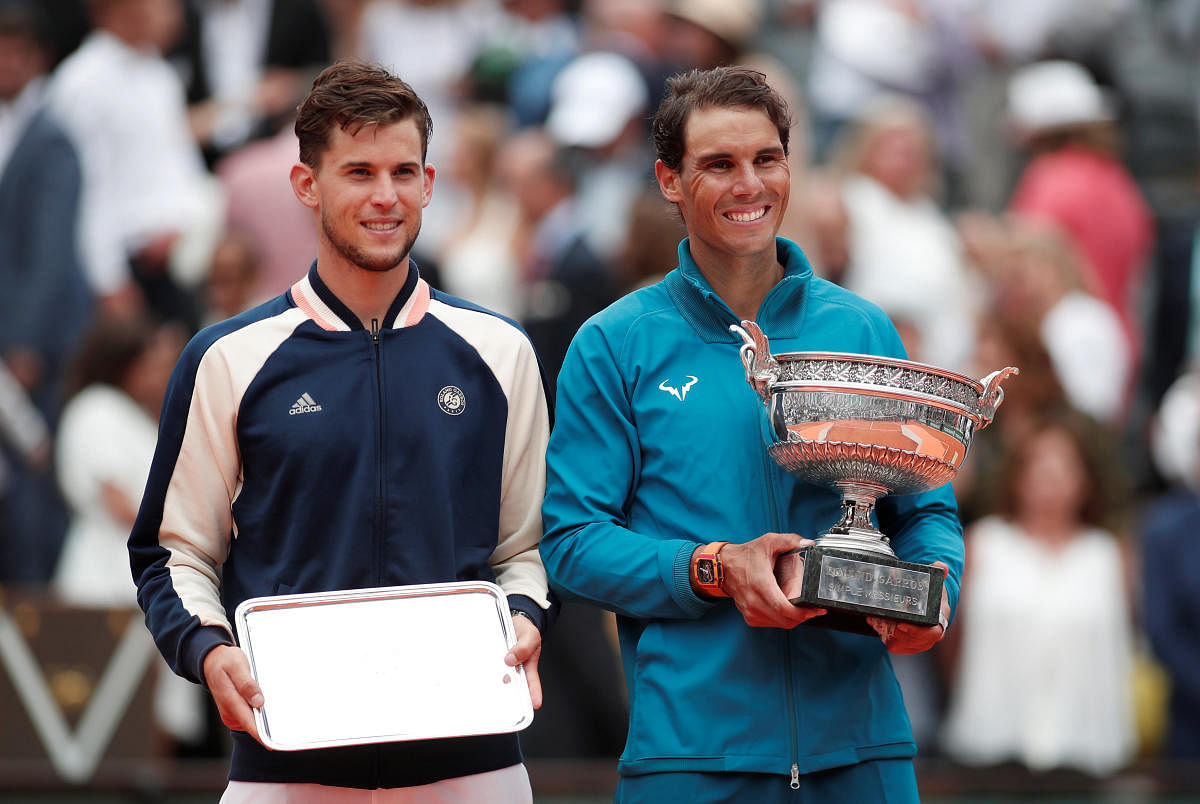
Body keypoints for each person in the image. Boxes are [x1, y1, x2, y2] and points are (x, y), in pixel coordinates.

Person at [129, 60, 553, 801]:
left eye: (403, 172)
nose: (385, 196)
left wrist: (522, 615)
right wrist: (208, 649)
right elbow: (174, 551)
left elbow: (529, 544)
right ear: (307, 185)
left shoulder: (500, 351)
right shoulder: (229, 359)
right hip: (286, 761)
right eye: (358, 172)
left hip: (473, 762)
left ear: (429, 183)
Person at [540, 65, 962, 803]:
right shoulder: (615, 343)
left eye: (767, 160)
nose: (749, 185)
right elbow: (572, 544)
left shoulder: (861, 329)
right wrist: (714, 566)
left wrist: (932, 591)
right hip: (693, 760)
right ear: (670, 181)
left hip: (862, 751)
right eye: (719, 165)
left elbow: (923, 507)